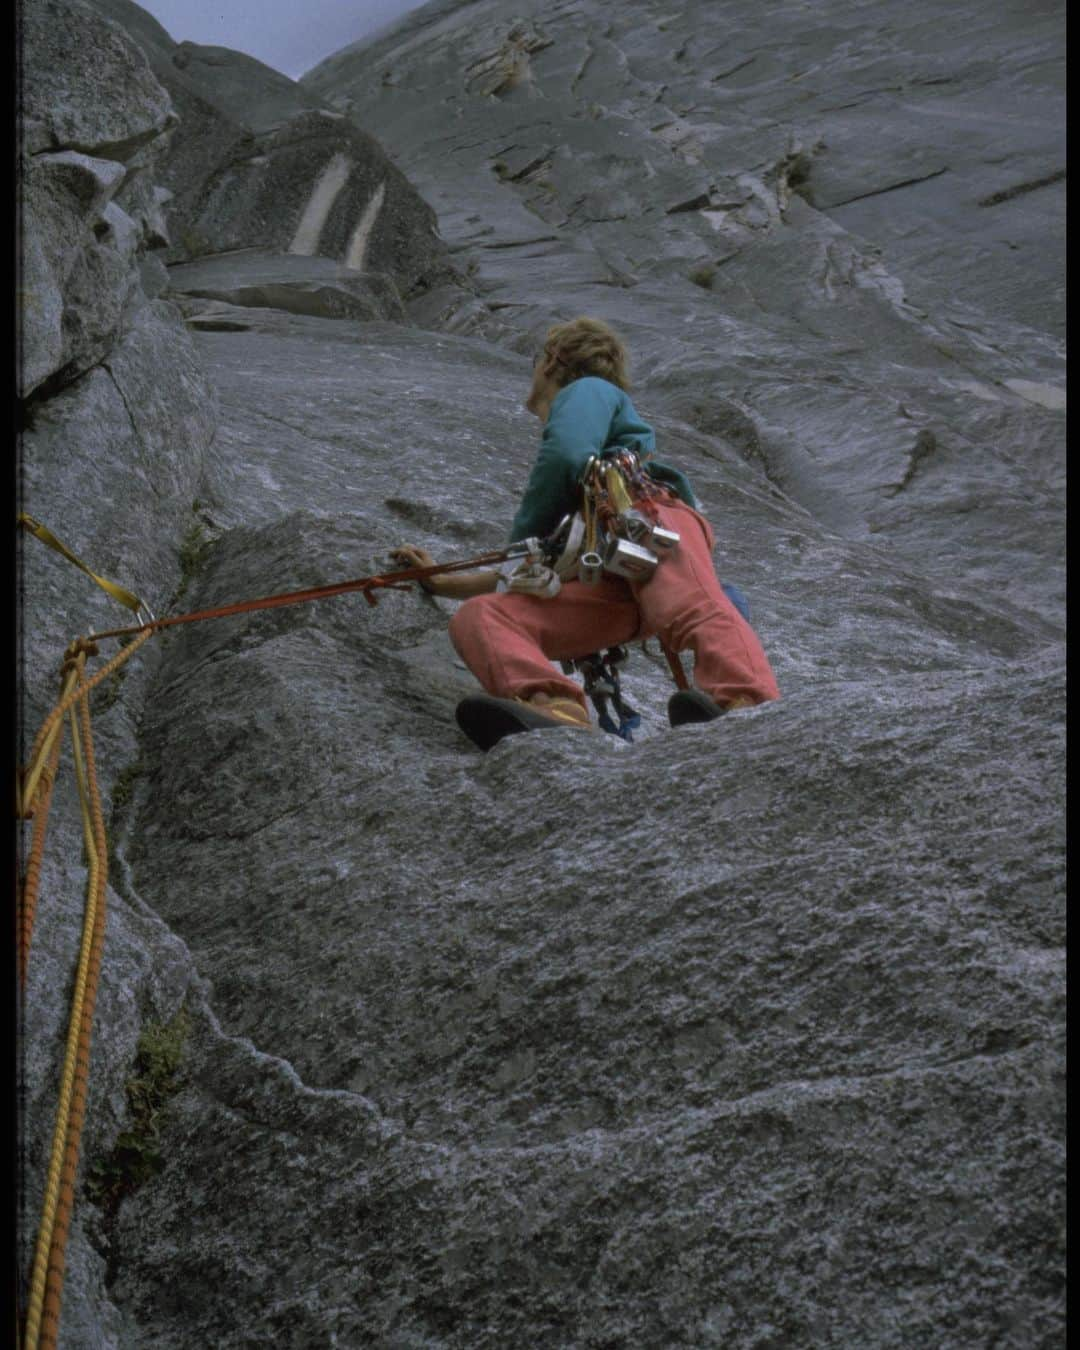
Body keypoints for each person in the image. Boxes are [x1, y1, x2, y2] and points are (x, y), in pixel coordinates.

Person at [392, 316, 779, 732]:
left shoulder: (590, 389)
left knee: (693, 608)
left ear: (552, 361)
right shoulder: (582, 516)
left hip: (644, 519)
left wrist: (523, 540)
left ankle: (747, 701)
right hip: (616, 582)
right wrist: (442, 583)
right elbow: (540, 567)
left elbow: (566, 453)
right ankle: (554, 707)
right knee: (481, 617)